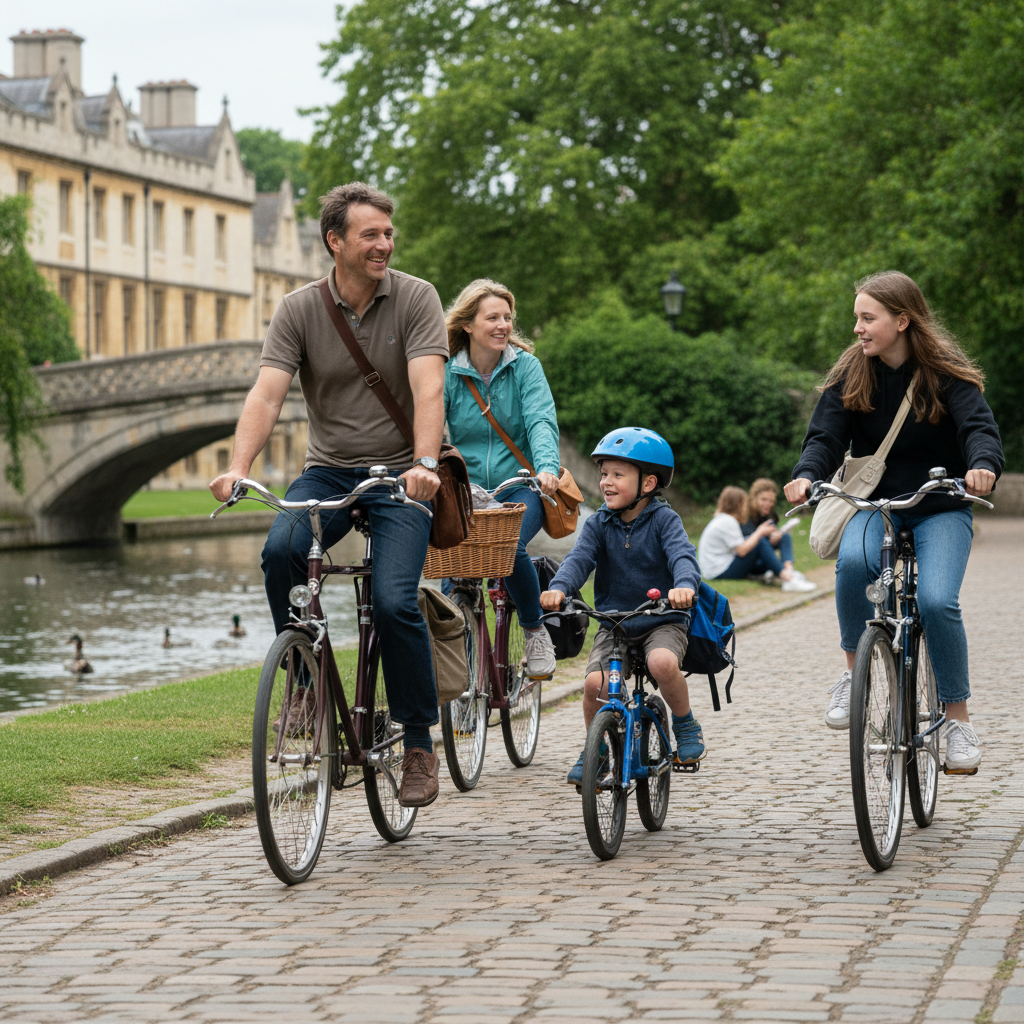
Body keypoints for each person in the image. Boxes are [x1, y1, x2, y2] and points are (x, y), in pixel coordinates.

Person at [210, 182, 449, 808]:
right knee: (280, 551)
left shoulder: (417, 298)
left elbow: (429, 391)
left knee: (396, 602)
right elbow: (266, 395)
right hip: (331, 472)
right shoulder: (298, 309)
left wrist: (426, 462)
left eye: (388, 234)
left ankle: (420, 742)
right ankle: (304, 682)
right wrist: (239, 467)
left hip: (402, 474)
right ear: (334, 241)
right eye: (370, 234)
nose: (384, 245)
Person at [784, 270, 1002, 771]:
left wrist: (983, 466)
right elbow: (824, 438)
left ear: (902, 320)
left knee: (937, 600)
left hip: (939, 506)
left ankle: (958, 722)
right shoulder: (852, 374)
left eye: (868, 317)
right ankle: (852, 673)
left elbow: (978, 429)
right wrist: (806, 475)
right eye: (856, 318)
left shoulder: (948, 376)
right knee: (853, 565)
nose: (857, 328)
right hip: (874, 505)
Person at [538, 428, 703, 784]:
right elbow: (578, 559)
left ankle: (685, 722)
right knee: (594, 684)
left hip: (662, 620)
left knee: (662, 662)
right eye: (603, 474)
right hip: (615, 623)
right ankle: (595, 751)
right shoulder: (599, 523)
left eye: (617, 474)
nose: (606, 482)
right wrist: (558, 588)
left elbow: (682, 557)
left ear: (647, 484)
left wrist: (685, 586)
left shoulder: (664, 520)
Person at [443, 279, 560, 678]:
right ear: (468, 325)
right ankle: (457, 675)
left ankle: (534, 630)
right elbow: (430, 427)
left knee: (508, 548)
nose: (503, 325)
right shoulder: (445, 371)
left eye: (507, 317)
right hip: (464, 491)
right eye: (492, 317)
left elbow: (541, 420)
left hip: (520, 487)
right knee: (452, 566)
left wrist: (545, 468)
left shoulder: (525, 367)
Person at [698, 486, 816, 592]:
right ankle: (787, 578)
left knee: (766, 546)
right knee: (760, 541)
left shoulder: (724, 519)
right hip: (719, 572)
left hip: (719, 568)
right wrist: (759, 532)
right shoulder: (728, 521)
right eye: (744, 503)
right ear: (738, 504)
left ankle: (787, 572)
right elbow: (742, 550)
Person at [742, 478, 815, 591]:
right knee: (760, 541)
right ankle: (787, 578)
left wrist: (775, 536)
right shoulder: (744, 517)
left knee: (784, 536)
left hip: (762, 557)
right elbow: (746, 545)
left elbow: (769, 540)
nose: (768, 504)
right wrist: (762, 535)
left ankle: (789, 570)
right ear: (754, 498)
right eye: (764, 500)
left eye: (771, 501)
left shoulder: (768, 515)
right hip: (746, 561)